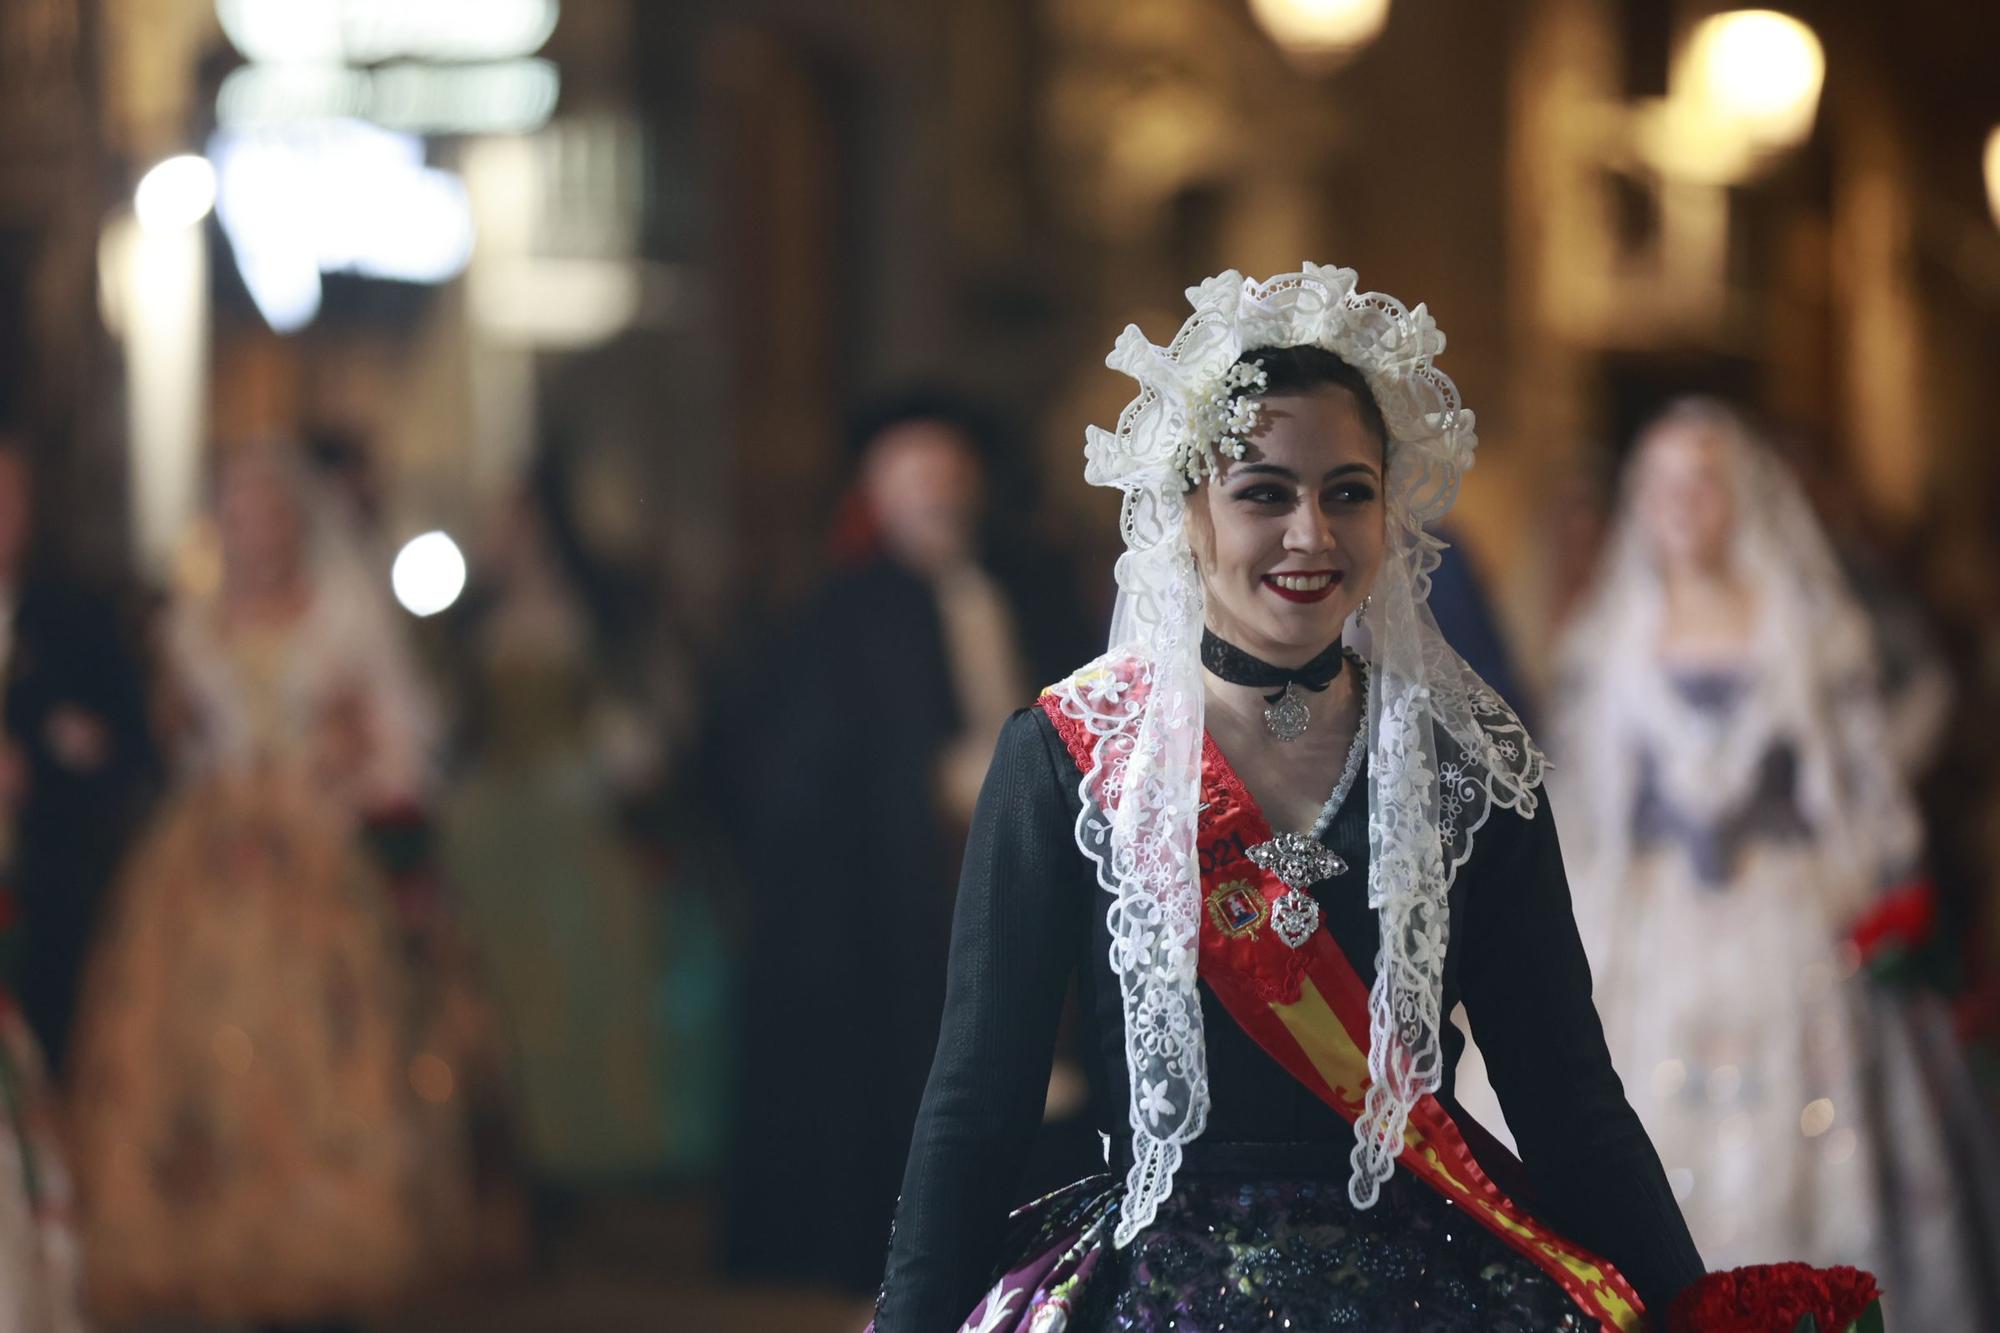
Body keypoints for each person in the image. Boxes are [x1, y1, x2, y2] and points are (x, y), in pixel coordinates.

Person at [871, 265, 1705, 1331]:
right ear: (1185, 512)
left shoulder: (1465, 769)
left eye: (1346, 492)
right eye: (1262, 492)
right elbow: (977, 1108)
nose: (1310, 534)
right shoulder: (1068, 759)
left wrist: (1703, 1311)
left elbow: (1570, 1105)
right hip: (1151, 1290)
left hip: (1425, 1287)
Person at [1549, 400, 1996, 1330]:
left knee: (1816, 1125)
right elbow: (1589, 802)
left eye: (1703, 483)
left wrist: (1868, 879)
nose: (1683, 505)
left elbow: (1861, 777)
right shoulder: (1616, 632)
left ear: (1740, 496)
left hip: (1786, 906)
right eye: (1663, 485)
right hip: (1659, 915)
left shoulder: (1801, 624)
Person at [69, 443, 514, 1327]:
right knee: (191, 1041)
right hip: (210, 854)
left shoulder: (344, 615)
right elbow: (188, 748)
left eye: (266, 515)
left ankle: (313, 1232)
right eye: (235, 518)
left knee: (324, 1045)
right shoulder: (191, 626)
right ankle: (211, 1235)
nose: (252, 535)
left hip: (313, 854)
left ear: (294, 522)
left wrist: (344, 770)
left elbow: (405, 741)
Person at [721, 391, 1093, 1293]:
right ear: (877, 492)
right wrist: (928, 787)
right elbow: (801, 769)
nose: (938, 495)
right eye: (915, 478)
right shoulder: (836, 612)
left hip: (1033, 844)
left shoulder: (1028, 584)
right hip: (898, 892)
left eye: (950, 475)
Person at [0, 431, 158, 1075]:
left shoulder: (75, 620)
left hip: (48, 903)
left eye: (9, 498)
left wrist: (43, 761)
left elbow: (130, 753)